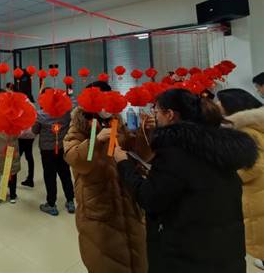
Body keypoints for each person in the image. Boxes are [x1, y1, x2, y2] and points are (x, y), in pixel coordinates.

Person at [114, 88, 258, 273]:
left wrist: (124, 164)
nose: (155, 116)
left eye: (157, 111)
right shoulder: (217, 146)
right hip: (225, 252)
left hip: (186, 255)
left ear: (170, 114)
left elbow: (149, 198)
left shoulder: (175, 152)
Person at [64, 80, 150, 273]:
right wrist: (95, 141)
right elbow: (76, 159)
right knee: (105, 258)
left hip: (127, 200)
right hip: (98, 203)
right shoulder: (78, 127)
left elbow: (138, 155)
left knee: (137, 256)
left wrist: (145, 132)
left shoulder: (117, 122)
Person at [217, 88, 264, 270]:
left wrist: (225, 176)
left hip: (255, 196)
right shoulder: (254, 126)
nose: (216, 105)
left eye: (220, 101)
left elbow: (254, 167)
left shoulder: (246, 131)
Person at [33, 88, 75, 216]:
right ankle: (70, 201)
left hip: (47, 150)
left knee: (50, 176)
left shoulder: (40, 115)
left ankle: (51, 204)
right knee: (65, 173)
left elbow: (35, 131)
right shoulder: (66, 113)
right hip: (62, 148)